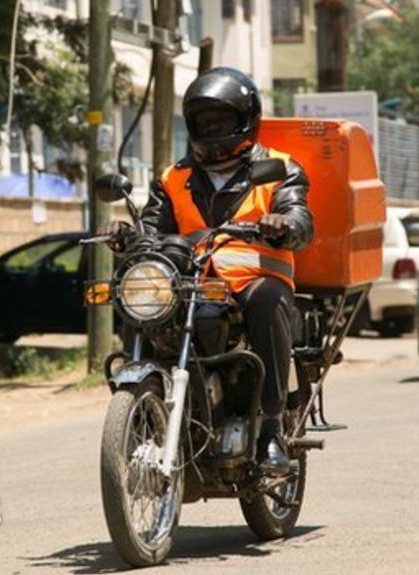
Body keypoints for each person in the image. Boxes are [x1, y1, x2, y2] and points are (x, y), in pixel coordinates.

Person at [98, 67, 314, 475]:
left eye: (222, 119)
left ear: (246, 120)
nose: (212, 128)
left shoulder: (280, 168)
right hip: (191, 283)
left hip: (253, 282)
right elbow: (153, 228)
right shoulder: (173, 177)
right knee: (138, 298)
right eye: (204, 121)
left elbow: (301, 218)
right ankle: (143, 407)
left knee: (268, 301)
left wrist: (285, 225)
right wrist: (126, 235)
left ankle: (271, 430)